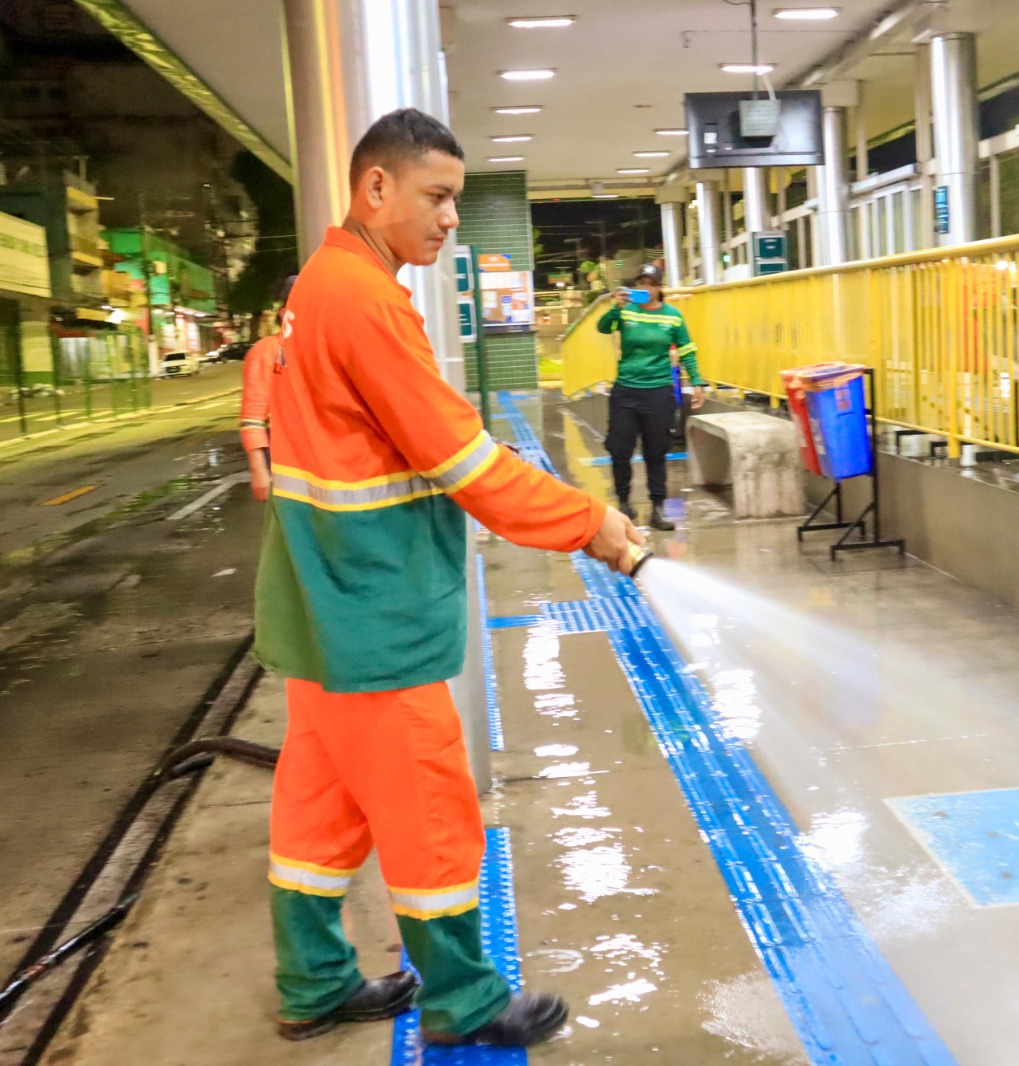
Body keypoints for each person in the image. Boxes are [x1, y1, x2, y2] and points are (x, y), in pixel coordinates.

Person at [255, 108, 642, 1048]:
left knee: (319, 807)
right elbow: (463, 461)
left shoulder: (322, 284)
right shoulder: (365, 301)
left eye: (458, 200)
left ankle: (313, 982)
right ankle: (464, 1001)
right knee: (431, 812)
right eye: (436, 196)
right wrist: (590, 523)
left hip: (320, 601)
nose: (450, 218)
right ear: (375, 186)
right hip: (375, 606)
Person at [597, 263, 705, 530]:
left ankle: (658, 508)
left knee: (656, 452)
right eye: (641, 283)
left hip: (659, 392)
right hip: (626, 391)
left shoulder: (672, 316)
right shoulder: (626, 310)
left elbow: (686, 349)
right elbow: (603, 327)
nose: (645, 288)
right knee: (619, 449)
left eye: (650, 284)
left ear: (659, 288)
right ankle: (624, 502)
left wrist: (697, 381)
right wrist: (615, 307)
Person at [238, 275, 297, 502]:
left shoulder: (322, 346)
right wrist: (259, 470)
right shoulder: (266, 351)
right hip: (284, 459)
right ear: (283, 314)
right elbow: (252, 418)